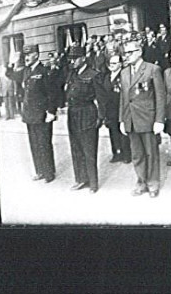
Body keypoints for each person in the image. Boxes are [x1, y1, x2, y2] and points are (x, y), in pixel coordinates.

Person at [119, 40, 166, 198]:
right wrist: (122, 120)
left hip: (148, 118)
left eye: (130, 52)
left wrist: (159, 120)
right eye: (125, 53)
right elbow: (123, 98)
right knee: (137, 154)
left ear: (139, 52)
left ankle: (153, 184)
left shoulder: (152, 69)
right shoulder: (124, 72)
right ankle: (141, 182)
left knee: (151, 153)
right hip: (131, 119)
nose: (127, 56)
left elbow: (160, 96)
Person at [6, 44, 59, 183]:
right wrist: (12, 63)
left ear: (36, 54)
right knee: (34, 144)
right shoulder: (25, 71)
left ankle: (49, 172)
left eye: (29, 55)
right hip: (29, 114)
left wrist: (51, 112)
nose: (26, 57)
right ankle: (39, 171)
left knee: (44, 144)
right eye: (25, 55)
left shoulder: (44, 71)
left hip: (42, 114)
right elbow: (10, 75)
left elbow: (52, 94)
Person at [63, 45, 105, 193]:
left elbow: (101, 98)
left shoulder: (93, 74)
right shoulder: (72, 74)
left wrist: (101, 117)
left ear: (83, 58)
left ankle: (93, 183)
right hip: (73, 114)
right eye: (71, 59)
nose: (72, 62)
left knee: (89, 150)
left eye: (75, 59)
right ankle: (81, 179)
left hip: (87, 114)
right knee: (76, 148)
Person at [98, 54, 131, 163]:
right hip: (110, 109)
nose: (111, 65)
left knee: (123, 132)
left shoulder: (123, 76)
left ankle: (126, 154)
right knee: (113, 132)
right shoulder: (107, 77)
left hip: (120, 108)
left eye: (114, 63)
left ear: (120, 64)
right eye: (110, 63)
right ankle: (116, 153)